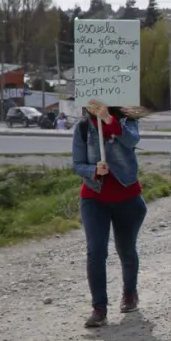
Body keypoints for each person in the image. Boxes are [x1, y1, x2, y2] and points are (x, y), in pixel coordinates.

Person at [72, 100, 147, 328]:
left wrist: (108, 120)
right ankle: (99, 308)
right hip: (94, 197)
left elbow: (132, 140)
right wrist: (93, 170)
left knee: (126, 249)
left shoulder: (127, 121)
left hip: (127, 196)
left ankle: (129, 293)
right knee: (96, 252)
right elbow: (77, 164)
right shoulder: (83, 127)